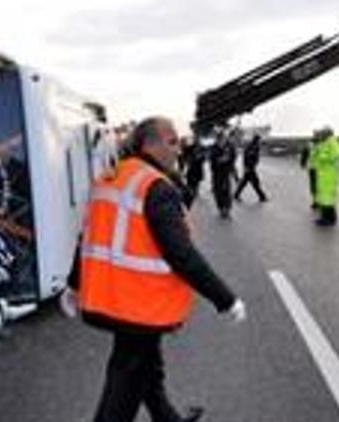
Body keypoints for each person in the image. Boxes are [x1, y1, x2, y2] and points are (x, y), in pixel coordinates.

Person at [65, 116, 245, 422]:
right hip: (137, 304)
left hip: (111, 298)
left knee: (147, 366)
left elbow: (89, 237)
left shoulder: (113, 176)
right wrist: (225, 299)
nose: (179, 149)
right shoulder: (154, 186)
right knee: (124, 384)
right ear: (151, 144)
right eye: (172, 141)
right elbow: (182, 255)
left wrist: (74, 284)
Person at [315, 127, 339, 226]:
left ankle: (328, 219)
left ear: (327, 134)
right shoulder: (326, 142)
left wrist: (322, 157)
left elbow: (335, 156)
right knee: (325, 197)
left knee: (327, 198)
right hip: (325, 174)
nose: (320, 135)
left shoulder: (333, 143)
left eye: (322, 133)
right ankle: (326, 217)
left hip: (329, 174)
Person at [210, 131, 238, 218]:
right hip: (217, 173)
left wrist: (230, 159)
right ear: (218, 139)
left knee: (227, 191)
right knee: (218, 192)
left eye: (224, 139)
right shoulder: (213, 148)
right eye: (221, 139)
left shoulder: (229, 147)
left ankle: (227, 209)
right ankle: (221, 208)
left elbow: (233, 156)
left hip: (226, 173)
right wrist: (220, 160)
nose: (223, 140)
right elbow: (212, 161)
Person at [234, 134, 268, 202]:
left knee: (245, 182)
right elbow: (247, 157)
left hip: (250, 167)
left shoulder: (254, 146)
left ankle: (236, 195)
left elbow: (248, 156)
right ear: (257, 140)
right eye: (259, 140)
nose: (260, 141)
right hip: (250, 168)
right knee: (255, 183)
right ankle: (262, 197)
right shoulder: (252, 147)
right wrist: (247, 167)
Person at [300, 130, 321, 209]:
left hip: (317, 168)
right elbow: (304, 154)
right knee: (314, 185)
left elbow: (304, 154)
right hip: (314, 168)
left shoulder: (320, 144)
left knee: (316, 185)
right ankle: (315, 201)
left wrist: (303, 163)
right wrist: (303, 163)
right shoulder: (312, 145)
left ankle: (317, 201)